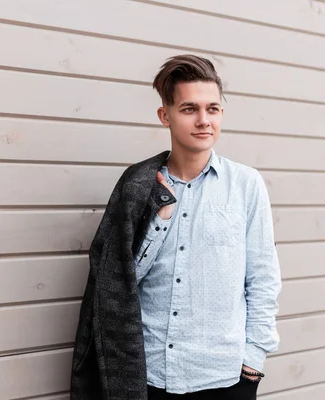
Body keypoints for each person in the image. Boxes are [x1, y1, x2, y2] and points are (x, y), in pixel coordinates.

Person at [70, 54, 282, 400]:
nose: (203, 120)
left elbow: (262, 278)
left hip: (224, 377)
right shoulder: (138, 185)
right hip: (150, 376)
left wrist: (253, 359)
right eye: (189, 109)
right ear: (164, 115)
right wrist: (158, 221)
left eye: (212, 109)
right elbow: (118, 282)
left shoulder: (246, 184)